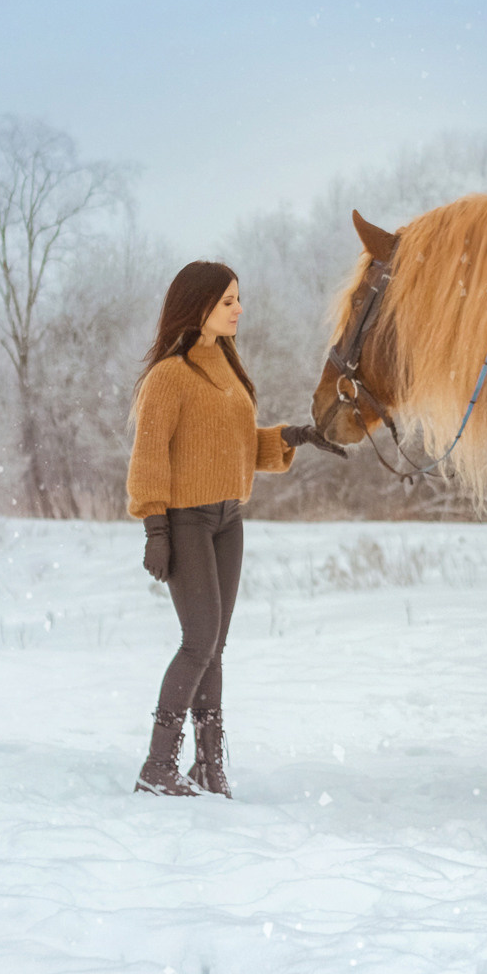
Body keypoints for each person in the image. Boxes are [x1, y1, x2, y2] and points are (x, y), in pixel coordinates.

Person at [125, 261, 343, 798]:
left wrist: (292, 436)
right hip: (186, 521)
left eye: (237, 299)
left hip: (229, 519)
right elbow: (149, 456)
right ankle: (157, 767)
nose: (238, 309)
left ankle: (208, 765)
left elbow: (238, 446)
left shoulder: (227, 365)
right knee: (197, 642)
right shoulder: (169, 376)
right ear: (198, 305)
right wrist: (156, 528)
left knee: (215, 647)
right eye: (228, 301)